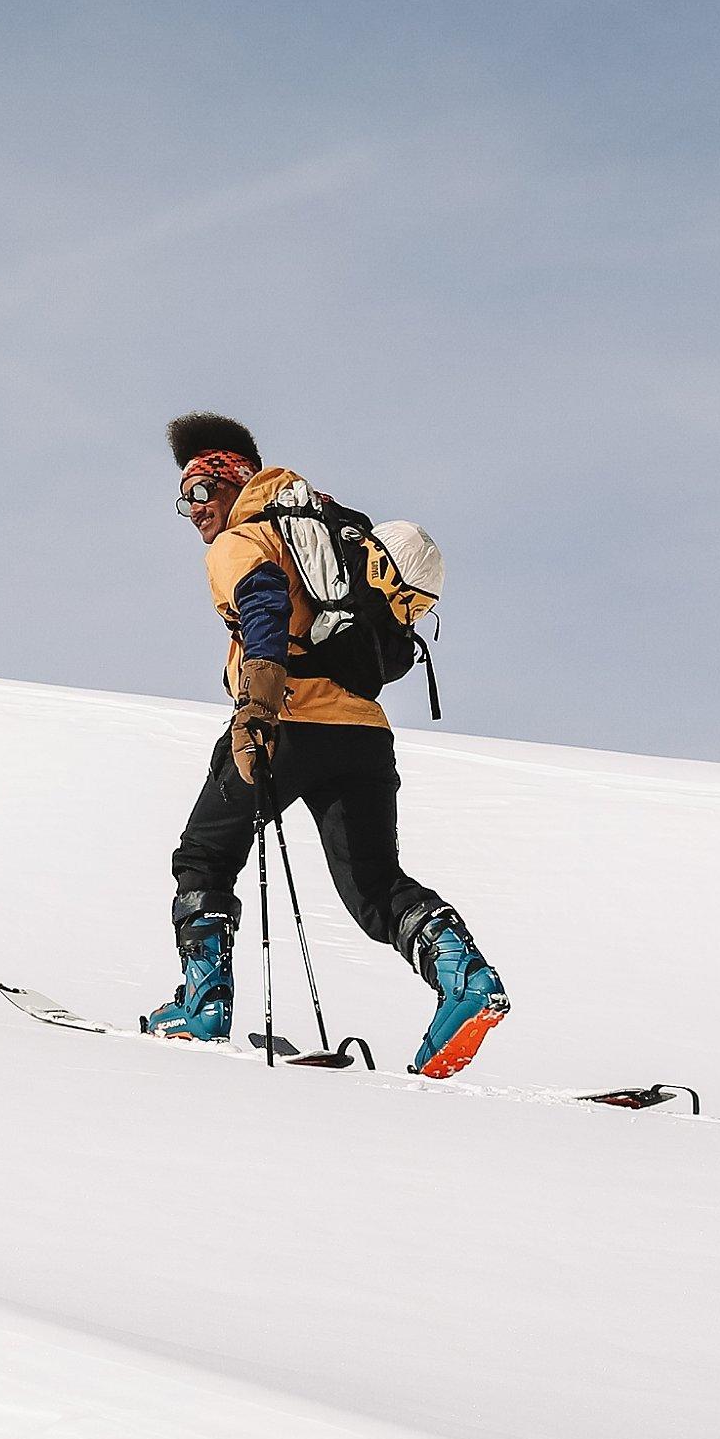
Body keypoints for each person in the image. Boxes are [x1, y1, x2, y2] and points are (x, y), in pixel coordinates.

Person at [143, 412, 509, 1077]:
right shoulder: (321, 527)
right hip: (363, 734)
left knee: (202, 857)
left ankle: (201, 1007)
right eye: (182, 496)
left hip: (283, 720)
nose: (190, 509)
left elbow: (261, 605)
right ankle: (467, 983)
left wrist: (256, 706)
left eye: (199, 491)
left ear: (231, 483)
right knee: (374, 886)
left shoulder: (242, 542)